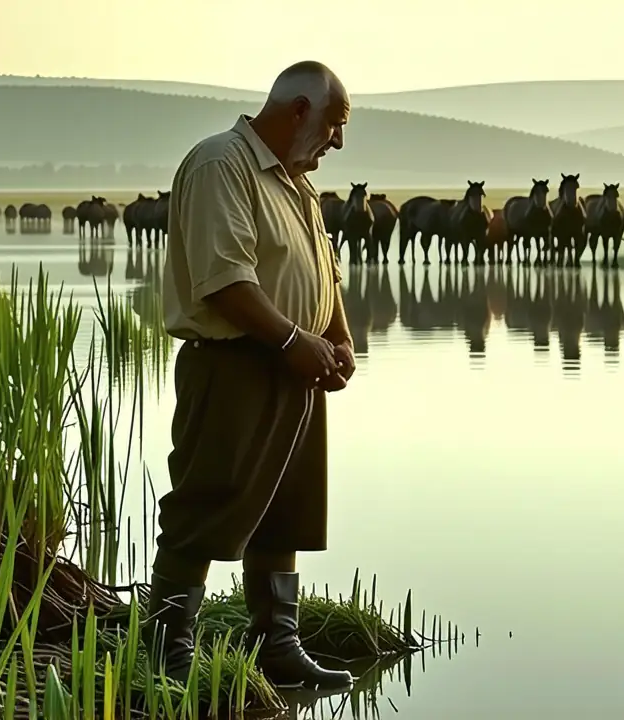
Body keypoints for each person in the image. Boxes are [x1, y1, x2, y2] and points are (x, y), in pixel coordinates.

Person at [148, 60, 356, 690]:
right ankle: (168, 652)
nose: (337, 142)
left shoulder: (297, 183)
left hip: (297, 366)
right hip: (237, 363)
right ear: (297, 109)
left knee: (283, 512)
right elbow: (225, 279)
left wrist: (338, 334)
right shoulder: (222, 165)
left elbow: (320, 269)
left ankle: (276, 644)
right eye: (334, 124)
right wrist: (293, 339)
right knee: (207, 502)